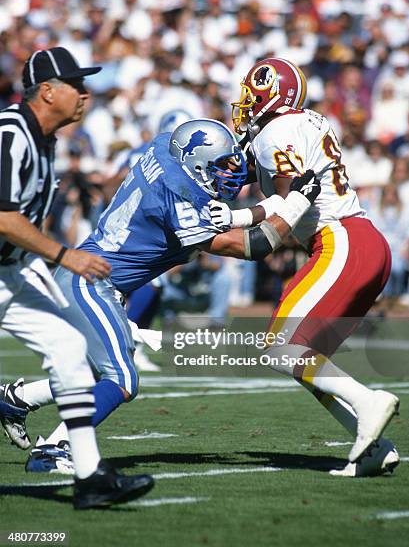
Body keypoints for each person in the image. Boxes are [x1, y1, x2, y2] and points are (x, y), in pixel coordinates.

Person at [0, 117, 321, 474]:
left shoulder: (168, 147)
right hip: (91, 282)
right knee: (121, 380)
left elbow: (215, 164)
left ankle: (16, 399)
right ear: (196, 165)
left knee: (94, 373)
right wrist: (295, 205)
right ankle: (55, 447)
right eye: (218, 167)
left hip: (92, 277)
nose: (228, 175)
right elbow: (252, 246)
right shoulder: (180, 197)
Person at [210, 57, 400, 477]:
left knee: (280, 346)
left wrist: (233, 219)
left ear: (273, 95)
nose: (244, 104)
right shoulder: (304, 121)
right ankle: (375, 448)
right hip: (362, 242)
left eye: (252, 95)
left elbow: (287, 202)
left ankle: (369, 403)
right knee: (308, 362)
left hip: (341, 241)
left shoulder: (276, 131)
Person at [0, 46, 154, 507]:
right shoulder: (11, 133)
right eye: (76, 85)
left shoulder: (44, 140)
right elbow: (3, 218)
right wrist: (65, 256)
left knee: (70, 349)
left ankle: (88, 478)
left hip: (9, 272)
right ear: (47, 92)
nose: (85, 95)